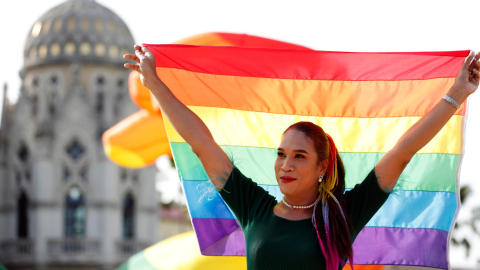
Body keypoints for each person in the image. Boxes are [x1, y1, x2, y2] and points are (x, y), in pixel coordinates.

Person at [124, 45, 479, 270]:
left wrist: (457, 93)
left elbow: (402, 153)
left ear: (322, 167)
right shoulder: (253, 206)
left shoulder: (343, 215)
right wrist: (154, 84)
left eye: (298, 156)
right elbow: (201, 142)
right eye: (280, 155)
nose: (285, 165)